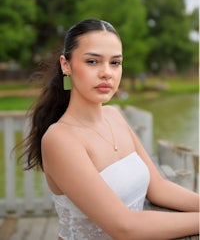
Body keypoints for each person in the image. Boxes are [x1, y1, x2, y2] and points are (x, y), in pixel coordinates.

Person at [21, 19, 199, 240]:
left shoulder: (114, 115)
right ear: (66, 65)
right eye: (93, 61)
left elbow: (159, 188)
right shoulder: (60, 139)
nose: (107, 73)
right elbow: (124, 227)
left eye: (115, 63)